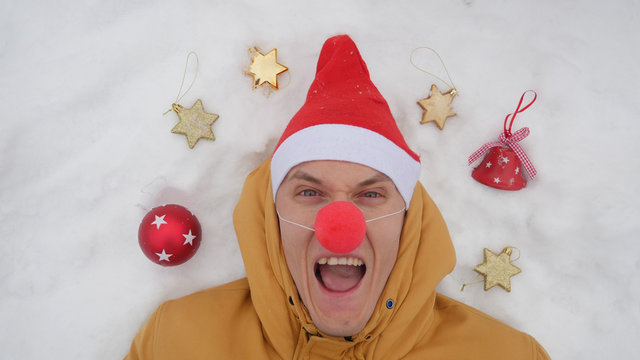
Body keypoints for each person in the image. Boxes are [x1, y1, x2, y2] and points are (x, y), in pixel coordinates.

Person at [125, 35, 549, 359]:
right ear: (271, 216)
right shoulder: (176, 342)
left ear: (408, 221)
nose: (339, 225)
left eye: (372, 194)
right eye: (309, 191)